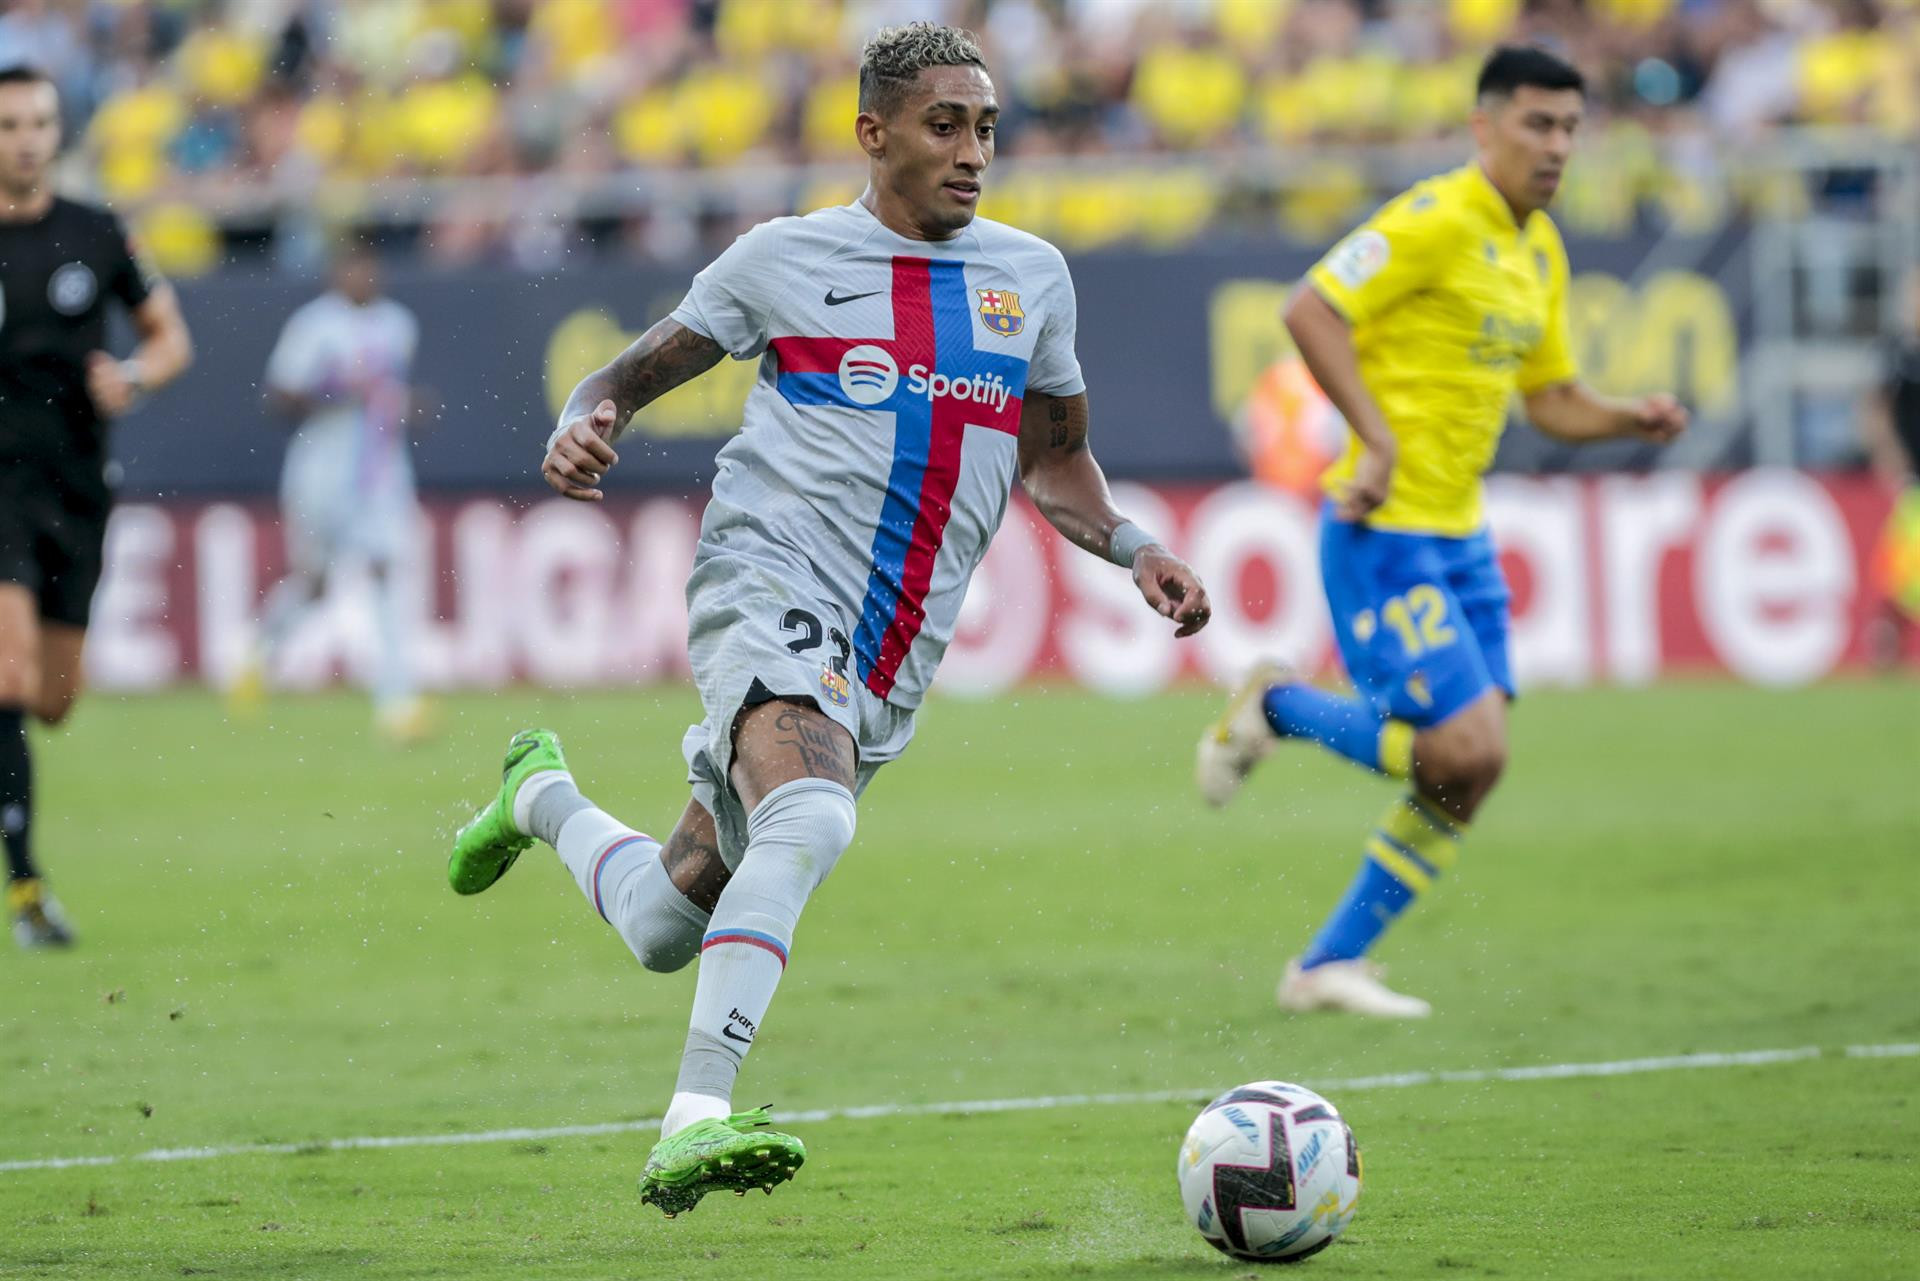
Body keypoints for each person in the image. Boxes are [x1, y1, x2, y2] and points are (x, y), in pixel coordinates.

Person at [445, 22, 1210, 1213]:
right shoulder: (783, 261)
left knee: (661, 922)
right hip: (767, 577)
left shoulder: (1031, 279)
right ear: (874, 133)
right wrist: (585, 418)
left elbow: (1057, 464)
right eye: (945, 125)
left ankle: (536, 795)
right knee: (809, 815)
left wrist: (1137, 547)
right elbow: (621, 378)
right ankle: (693, 1117)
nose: (973, 152)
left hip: (890, 649)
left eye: (988, 128)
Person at [1195, 46, 1688, 1018]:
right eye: (1537, 125)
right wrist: (1372, 439)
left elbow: (1550, 399)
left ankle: (1326, 964)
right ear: (1484, 126)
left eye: (1570, 129)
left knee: (1480, 765)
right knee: (1457, 750)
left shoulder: (1536, 248)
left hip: (1461, 537)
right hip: (1383, 530)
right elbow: (1311, 308)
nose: (1557, 147)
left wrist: (1630, 415)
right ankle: (1280, 706)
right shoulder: (1432, 219)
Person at [0, 64, 192, 947]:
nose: (26, 138)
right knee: (6, 678)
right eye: (9, 125)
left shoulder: (97, 231)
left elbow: (169, 339)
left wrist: (136, 377)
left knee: (50, 700)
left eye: (38, 121)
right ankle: (27, 888)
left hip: (76, 489)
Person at [232, 237, 434, 741]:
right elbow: (276, 398)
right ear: (336, 271)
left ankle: (397, 704)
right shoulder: (314, 325)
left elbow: (389, 399)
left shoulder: (398, 323)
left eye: (370, 265)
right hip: (320, 476)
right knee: (314, 583)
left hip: (381, 476)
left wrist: (409, 407)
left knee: (387, 572)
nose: (363, 275)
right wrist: (334, 389)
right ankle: (256, 655)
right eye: (353, 265)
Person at [1860, 266, 1920, 670]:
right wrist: (1886, 452)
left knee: (1904, 569)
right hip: (1914, 477)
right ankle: (1887, 639)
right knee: (1904, 568)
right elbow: (1876, 407)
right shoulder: (1898, 353)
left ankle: (1886, 637)